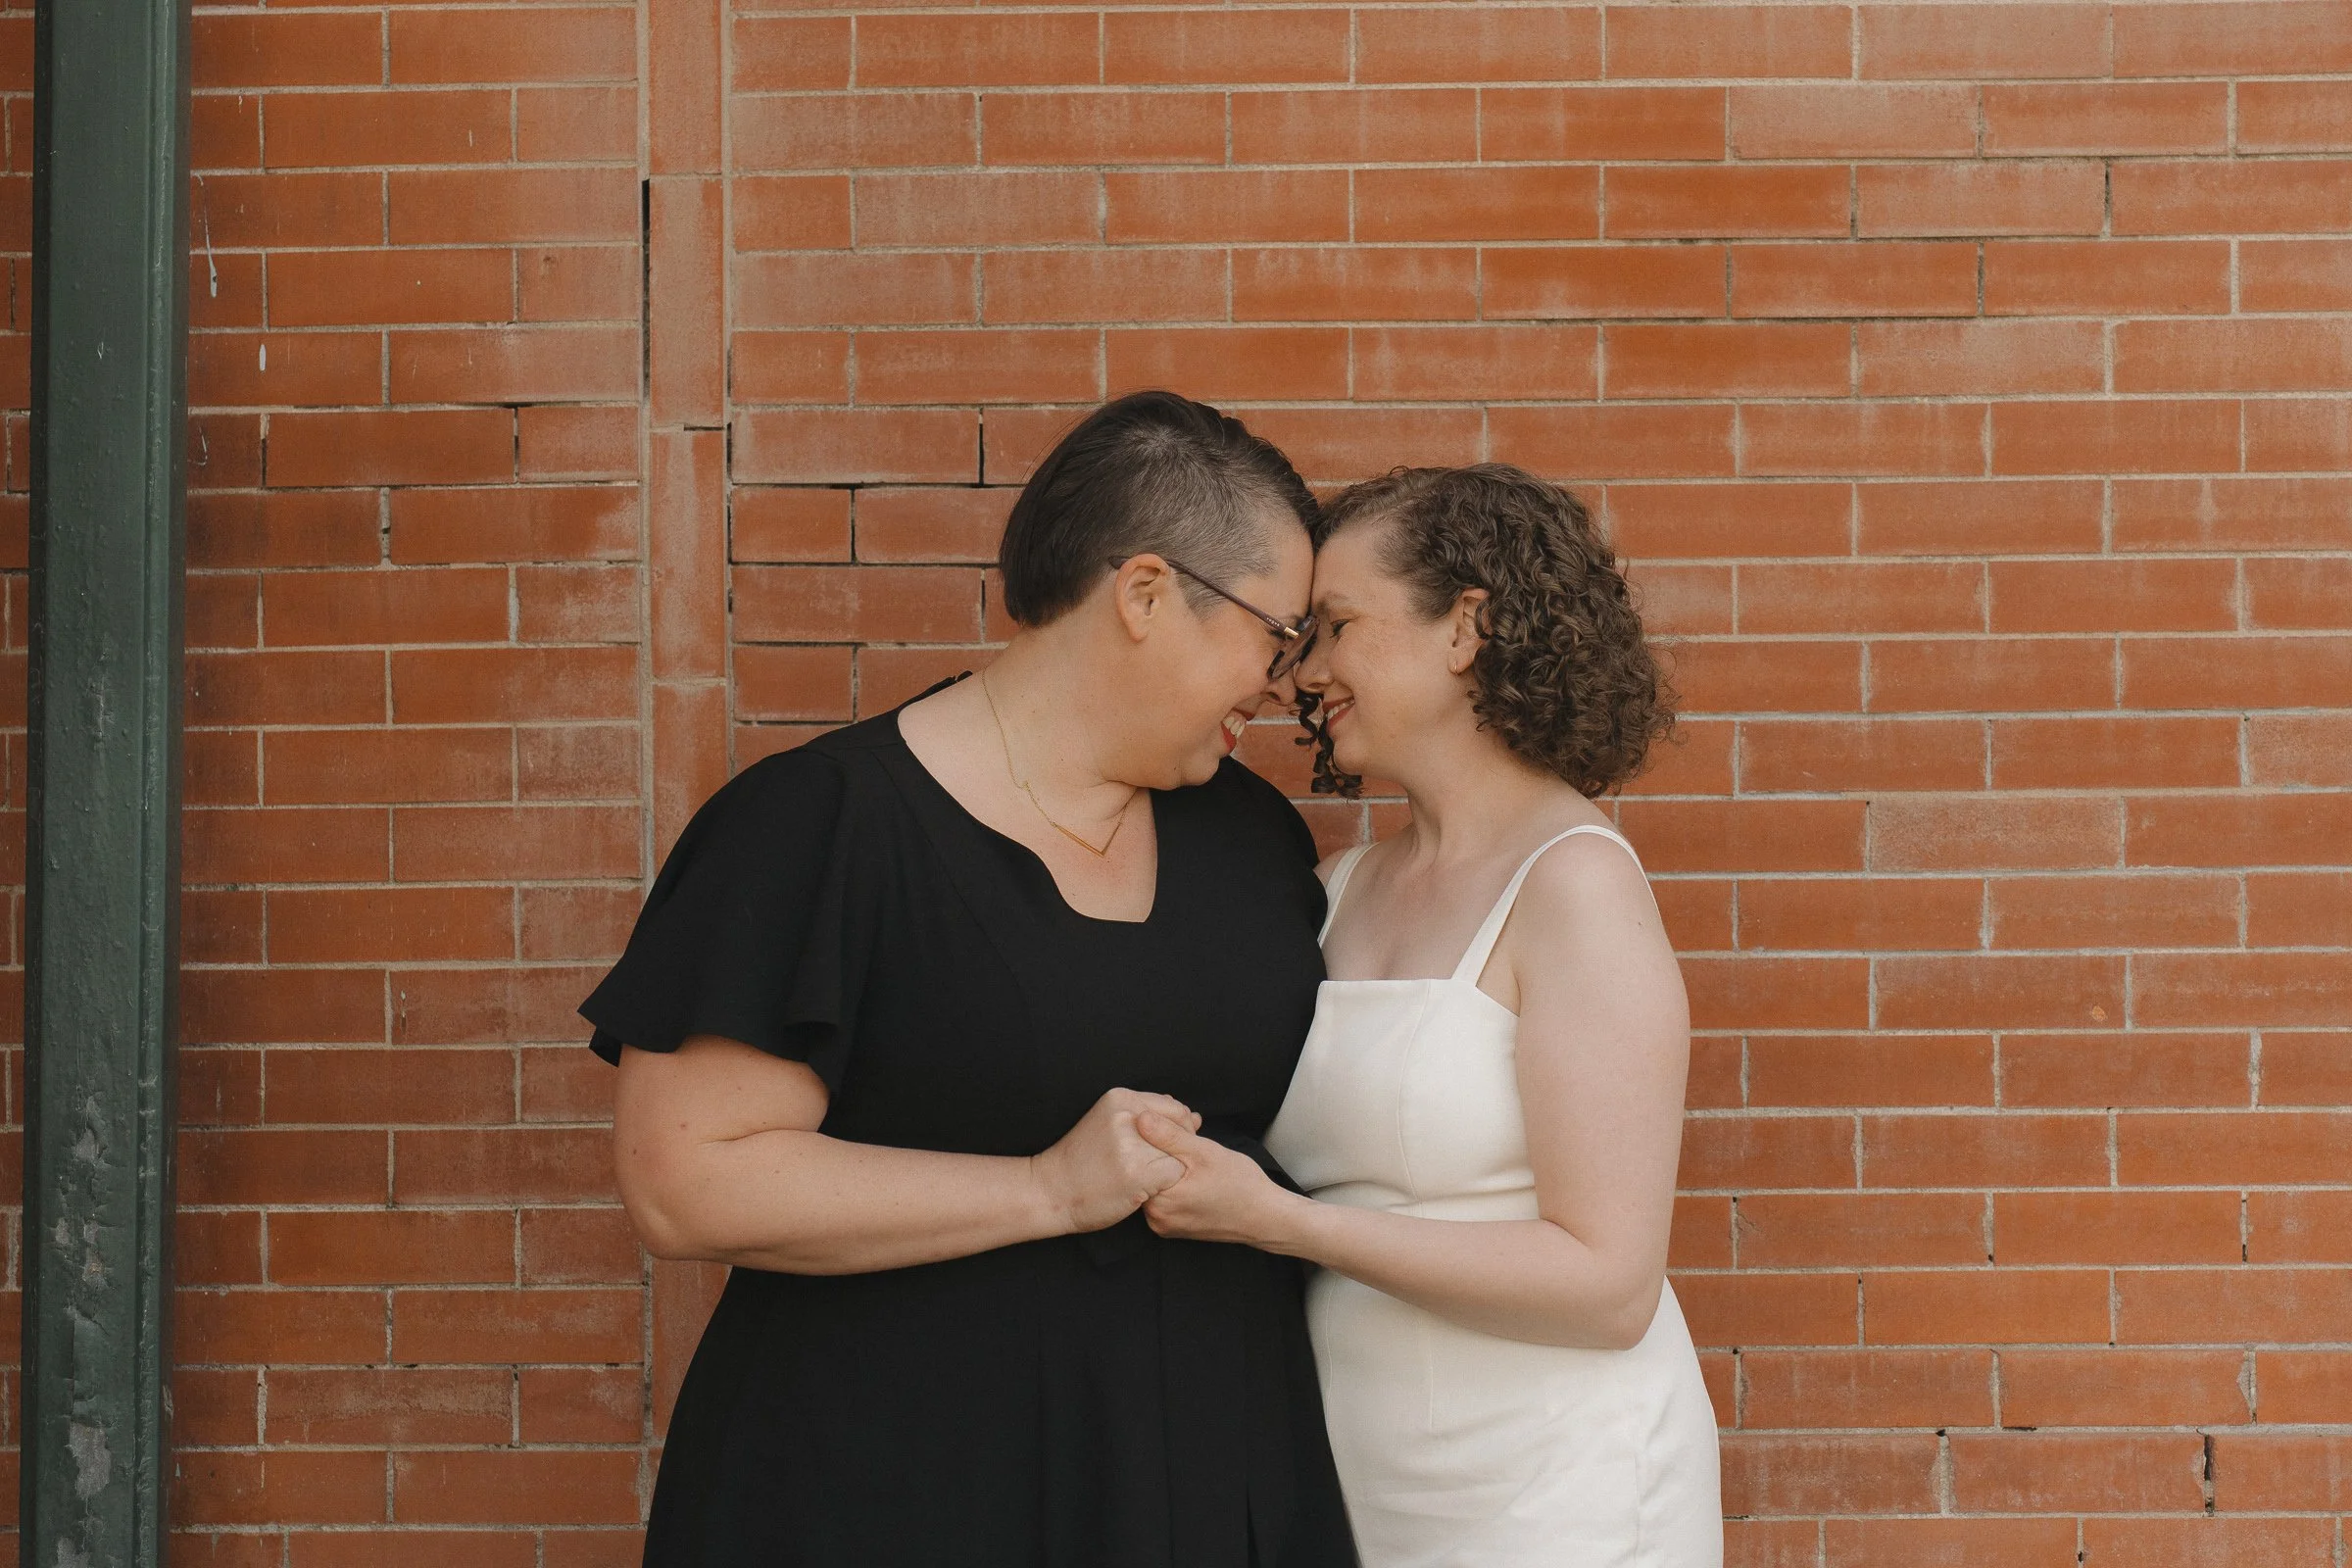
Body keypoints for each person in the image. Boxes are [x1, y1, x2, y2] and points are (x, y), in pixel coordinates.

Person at [579, 390, 1357, 1567]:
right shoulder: (820, 826)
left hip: (1200, 1471)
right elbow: (687, 1183)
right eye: (1275, 632)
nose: (1281, 678)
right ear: (1146, 595)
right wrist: (1046, 1189)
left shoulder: (1250, 838)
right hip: (891, 1484)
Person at [1137, 464, 1722, 1566]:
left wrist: (1281, 1221)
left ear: (1465, 627)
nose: (1305, 671)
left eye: (1338, 627)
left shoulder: (1575, 886)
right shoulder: (1338, 888)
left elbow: (1609, 1288)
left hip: (1558, 1486)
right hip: (1361, 1475)